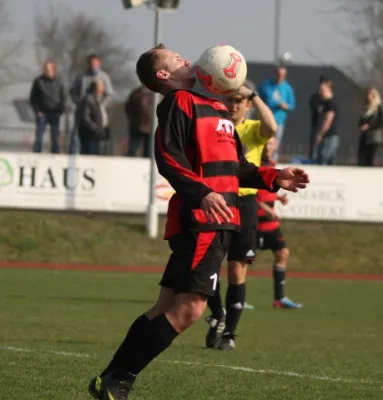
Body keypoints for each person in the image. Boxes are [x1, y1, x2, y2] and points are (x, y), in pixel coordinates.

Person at [87, 43, 309, 400]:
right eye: (176, 59)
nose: (186, 59)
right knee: (190, 310)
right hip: (202, 220)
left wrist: (274, 177)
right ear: (163, 75)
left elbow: (238, 167)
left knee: (163, 309)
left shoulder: (218, 107)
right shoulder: (177, 103)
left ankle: (110, 379)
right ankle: (119, 378)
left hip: (220, 220)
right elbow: (167, 158)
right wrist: (201, 192)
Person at [205, 82, 277, 351]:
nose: (235, 104)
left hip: (244, 203)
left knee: (237, 269)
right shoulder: (216, 126)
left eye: (241, 100)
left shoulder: (252, 130)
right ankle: (218, 314)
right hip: (217, 200)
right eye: (231, 99)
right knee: (208, 266)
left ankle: (230, 334)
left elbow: (272, 128)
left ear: (248, 104)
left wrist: (255, 95)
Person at [257, 138, 302, 308]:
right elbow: (248, 193)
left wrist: (278, 198)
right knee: (240, 261)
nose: (268, 146)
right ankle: (238, 300)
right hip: (254, 221)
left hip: (270, 223)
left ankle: (279, 298)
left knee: (283, 253)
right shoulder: (253, 165)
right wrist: (266, 209)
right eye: (265, 143)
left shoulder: (273, 165)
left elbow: (265, 190)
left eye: (271, 144)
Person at [69, 54, 114, 154]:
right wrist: (79, 103)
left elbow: (109, 94)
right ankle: (75, 155)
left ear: (99, 63)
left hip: (96, 112)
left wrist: (100, 104)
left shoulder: (104, 77)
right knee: (78, 136)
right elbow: (72, 91)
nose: (93, 65)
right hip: (82, 111)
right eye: (91, 63)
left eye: (95, 63)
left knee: (95, 138)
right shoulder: (82, 76)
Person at [258, 65, 295, 161]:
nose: (280, 76)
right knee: (264, 140)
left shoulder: (287, 88)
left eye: (283, 75)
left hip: (279, 121)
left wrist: (285, 106)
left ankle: (273, 161)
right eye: (279, 74)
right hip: (266, 119)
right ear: (276, 73)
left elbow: (292, 105)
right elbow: (258, 99)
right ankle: (262, 159)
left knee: (276, 142)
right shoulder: (266, 85)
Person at [29, 59, 66, 153]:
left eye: (49, 69)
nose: (47, 71)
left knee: (55, 137)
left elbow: (63, 97)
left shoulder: (59, 81)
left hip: (55, 112)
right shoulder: (38, 81)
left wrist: (60, 110)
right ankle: (36, 154)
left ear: (53, 70)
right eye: (45, 69)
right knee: (39, 137)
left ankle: (55, 155)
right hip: (42, 113)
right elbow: (33, 99)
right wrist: (37, 111)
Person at [77, 80, 110, 155]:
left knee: (96, 155)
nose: (102, 90)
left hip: (96, 133)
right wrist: (94, 127)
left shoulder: (97, 100)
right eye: (101, 88)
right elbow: (85, 117)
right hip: (89, 133)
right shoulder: (89, 99)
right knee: (90, 154)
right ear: (95, 88)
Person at [313, 80, 339, 165]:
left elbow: (328, 120)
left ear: (329, 89)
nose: (320, 92)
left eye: (322, 90)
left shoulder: (330, 104)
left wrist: (320, 135)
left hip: (329, 137)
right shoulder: (323, 103)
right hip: (327, 137)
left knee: (323, 159)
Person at [125, 85, 154, 158]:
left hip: (151, 127)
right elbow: (128, 108)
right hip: (137, 126)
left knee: (148, 151)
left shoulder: (156, 94)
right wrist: (133, 119)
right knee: (132, 149)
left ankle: (147, 167)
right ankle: (127, 165)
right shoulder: (136, 94)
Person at [308, 75, 332, 161]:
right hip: (316, 125)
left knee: (325, 151)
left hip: (326, 129)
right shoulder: (315, 98)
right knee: (315, 147)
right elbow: (316, 109)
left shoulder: (329, 101)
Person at [358, 87, 383, 166]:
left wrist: (369, 126)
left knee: (370, 157)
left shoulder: (378, 108)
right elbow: (361, 120)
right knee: (362, 156)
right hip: (364, 136)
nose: (368, 96)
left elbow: (380, 121)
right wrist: (361, 125)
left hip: (373, 137)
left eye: (370, 94)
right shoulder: (366, 108)